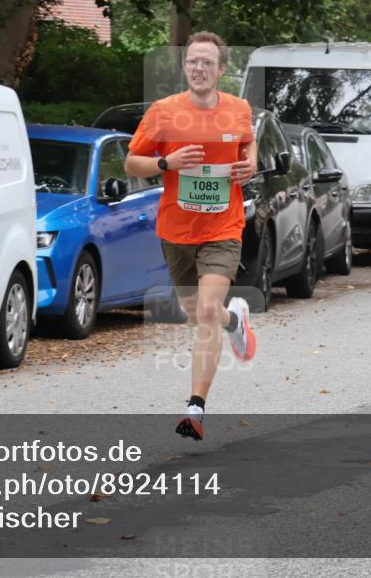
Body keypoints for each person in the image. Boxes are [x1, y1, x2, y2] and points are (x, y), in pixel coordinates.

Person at [125, 31, 257, 441]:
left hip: (224, 226)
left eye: (207, 63)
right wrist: (168, 161)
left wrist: (249, 165)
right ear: (185, 67)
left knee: (204, 312)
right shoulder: (164, 112)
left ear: (221, 70)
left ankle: (195, 407)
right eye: (192, 62)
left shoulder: (238, 110)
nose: (199, 68)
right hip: (177, 229)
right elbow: (132, 163)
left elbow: (249, 144)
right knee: (196, 310)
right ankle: (235, 321)